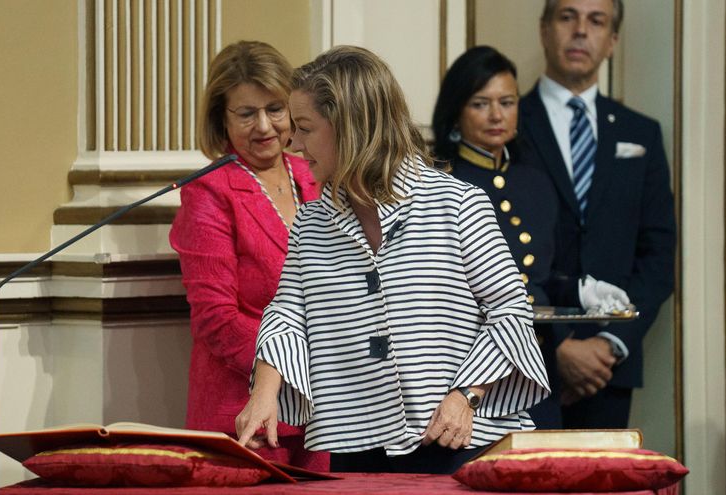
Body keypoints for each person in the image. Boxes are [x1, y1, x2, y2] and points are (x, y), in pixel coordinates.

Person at [235, 45, 549, 475]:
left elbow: (510, 312)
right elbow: (288, 314)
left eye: (305, 128)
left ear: (351, 127)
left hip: (461, 441)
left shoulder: (458, 204)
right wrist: (264, 394)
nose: (293, 143)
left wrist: (466, 396)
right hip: (355, 443)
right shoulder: (312, 222)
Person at [169, 40, 328, 471]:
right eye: (246, 113)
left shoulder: (315, 174)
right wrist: (298, 366)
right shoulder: (208, 191)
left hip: (326, 415)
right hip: (246, 418)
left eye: (275, 109)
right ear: (221, 118)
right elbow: (216, 319)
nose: (264, 126)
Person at [518, 0, 677, 429]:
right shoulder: (506, 124)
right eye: (567, 16)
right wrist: (557, 347)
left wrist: (610, 343)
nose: (581, 31)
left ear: (613, 41)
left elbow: (658, 255)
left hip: (609, 372)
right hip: (523, 363)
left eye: (596, 20)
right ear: (545, 29)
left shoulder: (641, 133)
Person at [432, 46, 563, 429]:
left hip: (536, 363)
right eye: (480, 104)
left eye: (507, 102)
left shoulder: (536, 183)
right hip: (467, 368)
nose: (496, 115)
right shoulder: (439, 182)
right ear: (457, 110)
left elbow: (543, 277)